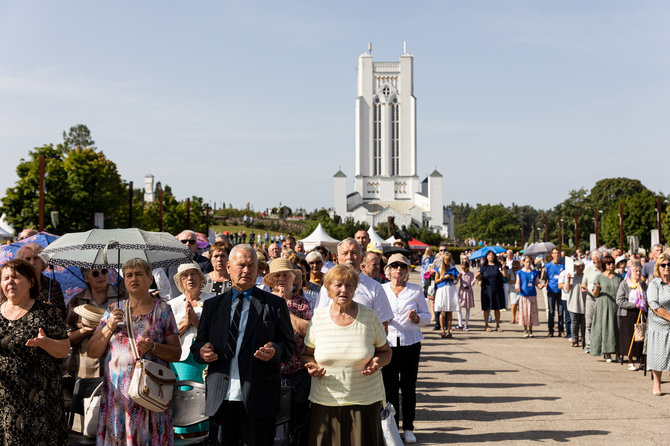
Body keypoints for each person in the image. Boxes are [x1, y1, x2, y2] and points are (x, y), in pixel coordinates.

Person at [191, 245, 296, 446]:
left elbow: (289, 346)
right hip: (221, 397)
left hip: (259, 397)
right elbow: (197, 347)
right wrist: (203, 351)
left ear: (258, 270)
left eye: (251, 266)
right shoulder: (213, 306)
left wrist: (275, 351)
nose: (246, 271)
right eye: (241, 265)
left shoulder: (274, 305)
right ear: (229, 267)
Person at [87, 258, 181, 445]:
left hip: (150, 394)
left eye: (139, 274)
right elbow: (92, 351)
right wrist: (109, 327)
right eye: (129, 275)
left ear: (149, 279)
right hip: (118, 398)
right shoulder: (113, 310)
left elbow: (176, 353)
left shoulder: (163, 310)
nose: (133, 278)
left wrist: (153, 347)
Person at [301, 265, 391, 444]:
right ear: (327, 290)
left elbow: (386, 352)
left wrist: (377, 363)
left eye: (349, 285)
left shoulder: (370, 316)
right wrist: (311, 366)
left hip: (364, 401)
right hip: (325, 400)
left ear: (355, 289)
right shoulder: (318, 318)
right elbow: (306, 354)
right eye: (338, 285)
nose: (344, 290)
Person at [0, 259, 70, 445]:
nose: (10, 282)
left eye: (16, 277)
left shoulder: (46, 311)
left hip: (40, 400)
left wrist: (45, 343)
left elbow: (64, 350)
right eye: (6, 278)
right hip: (5, 399)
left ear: (31, 281)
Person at [381, 254, 430, 444]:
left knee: (409, 387)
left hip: (410, 343)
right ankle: (392, 427)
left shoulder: (415, 290)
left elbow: (427, 315)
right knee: (390, 387)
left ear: (407, 270)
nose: (398, 270)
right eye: (394, 266)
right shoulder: (382, 289)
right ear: (388, 270)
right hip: (389, 344)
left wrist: (418, 319)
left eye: (402, 267)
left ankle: (409, 427)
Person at [264, 258, 312, 446]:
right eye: (278, 276)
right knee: (274, 424)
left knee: (298, 423)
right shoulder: (263, 301)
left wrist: (285, 307)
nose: (282, 279)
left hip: (298, 374)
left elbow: (308, 330)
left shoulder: (301, 303)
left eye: (286, 275)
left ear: (293, 279)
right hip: (270, 373)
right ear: (272, 280)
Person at [168, 262, 215, 437]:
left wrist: (197, 324)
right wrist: (186, 323)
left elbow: (219, 332)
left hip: (207, 359)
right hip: (182, 360)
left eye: (193, 274)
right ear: (180, 281)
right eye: (185, 275)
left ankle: (205, 438)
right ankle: (185, 437)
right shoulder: (172, 304)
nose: (190, 278)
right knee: (186, 404)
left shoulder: (212, 301)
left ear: (200, 277)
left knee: (206, 403)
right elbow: (168, 335)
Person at [314, 238, 394, 330]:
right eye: (345, 253)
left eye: (354, 253)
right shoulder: (327, 286)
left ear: (361, 258)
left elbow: (383, 325)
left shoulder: (375, 287)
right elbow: (318, 318)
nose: (349, 257)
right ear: (338, 258)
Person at [65, 267, 127, 380]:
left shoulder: (123, 297)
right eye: (95, 273)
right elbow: (66, 339)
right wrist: (84, 331)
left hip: (117, 366)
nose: (101, 276)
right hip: (86, 368)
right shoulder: (77, 301)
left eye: (104, 271)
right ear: (86, 278)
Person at [16, 242, 66, 319]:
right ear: (22, 263)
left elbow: (63, 314)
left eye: (36, 258)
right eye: (28, 259)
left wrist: (55, 310)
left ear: (43, 261)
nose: (32, 263)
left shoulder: (53, 285)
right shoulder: (17, 285)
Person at [590, 256, 622, 362]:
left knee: (617, 329)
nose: (611, 265)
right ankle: (607, 353)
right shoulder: (599, 277)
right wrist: (597, 289)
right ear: (604, 265)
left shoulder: (619, 277)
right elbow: (594, 294)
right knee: (606, 329)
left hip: (617, 306)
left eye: (612, 263)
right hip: (603, 306)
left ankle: (618, 353)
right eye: (608, 263)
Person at [646, 253, 670, 395]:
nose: (667, 267)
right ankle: (657, 384)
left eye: (669, 264)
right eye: (663, 265)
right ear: (658, 268)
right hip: (659, 325)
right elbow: (653, 305)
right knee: (659, 355)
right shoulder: (655, 284)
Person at [165, 230, 213, 299]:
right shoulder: (168, 262)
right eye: (184, 241)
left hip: (199, 304)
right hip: (173, 305)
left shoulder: (205, 262)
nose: (187, 244)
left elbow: (208, 285)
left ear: (196, 244)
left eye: (192, 242)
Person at [616, 263, 646, 370]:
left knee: (641, 337)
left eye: (639, 271)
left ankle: (642, 360)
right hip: (627, 314)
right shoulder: (624, 284)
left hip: (640, 313)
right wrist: (634, 305)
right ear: (631, 273)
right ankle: (630, 360)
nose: (638, 273)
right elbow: (619, 300)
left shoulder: (643, 284)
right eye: (635, 271)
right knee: (629, 337)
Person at [476, 250, 507, 332]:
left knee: (497, 308)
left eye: (492, 255)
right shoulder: (483, 266)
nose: (491, 257)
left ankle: (497, 325)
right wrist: (477, 276)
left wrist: (503, 268)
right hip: (486, 290)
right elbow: (479, 277)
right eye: (489, 255)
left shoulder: (498, 265)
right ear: (486, 257)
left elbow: (505, 276)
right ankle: (486, 325)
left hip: (497, 289)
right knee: (486, 308)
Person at [559, 260, 586, 347]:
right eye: (578, 267)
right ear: (575, 268)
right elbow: (566, 290)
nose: (580, 268)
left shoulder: (585, 276)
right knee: (574, 323)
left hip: (584, 303)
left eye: (582, 266)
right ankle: (574, 340)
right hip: (573, 303)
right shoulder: (572, 276)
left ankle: (584, 340)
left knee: (583, 324)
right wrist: (568, 279)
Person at [516, 256, 544, 337]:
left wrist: (540, 285)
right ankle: (525, 330)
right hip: (523, 295)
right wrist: (517, 288)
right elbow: (517, 283)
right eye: (527, 262)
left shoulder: (534, 273)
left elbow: (537, 282)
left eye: (530, 262)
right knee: (524, 313)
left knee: (532, 313)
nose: (528, 263)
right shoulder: (520, 272)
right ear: (523, 262)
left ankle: (531, 330)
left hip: (532, 295)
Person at [433, 251, 459, 338]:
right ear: (443, 260)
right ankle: (442, 330)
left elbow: (456, 282)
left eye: (449, 260)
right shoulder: (439, 269)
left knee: (450, 311)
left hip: (451, 290)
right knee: (442, 311)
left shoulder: (453, 268)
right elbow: (436, 281)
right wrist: (443, 277)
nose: (448, 263)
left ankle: (448, 330)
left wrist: (453, 278)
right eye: (446, 261)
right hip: (442, 290)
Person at [544, 248, 566, 337]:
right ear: (552, 255)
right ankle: (551, 330)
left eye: (558, 253)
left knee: (561, 312)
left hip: (561, 291)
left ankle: (561, 330)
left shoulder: (564, 266)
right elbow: (544, 278)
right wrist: (542, 283)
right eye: (555, 253)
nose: (557, 255)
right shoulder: (547, 266)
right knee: (551, 311)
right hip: (551, 291)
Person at [457, 261, 475, 331]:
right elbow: (456, 282)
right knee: (459, 308)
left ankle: (466, 325)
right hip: (462, 291)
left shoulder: (471, 274)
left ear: (468, 267)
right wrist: (458, 277)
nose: (463, 270)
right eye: (462, 268)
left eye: (464, 268)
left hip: (468, 291)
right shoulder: (460, 273)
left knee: (468, 309)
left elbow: (472, 284)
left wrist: (475, 278)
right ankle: (460, 324)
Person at [508, 260, 521, 324]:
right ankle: (513, 318)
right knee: (514, 304)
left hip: (521, 289)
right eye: (513, 267)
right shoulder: (510, 271)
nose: (514, 269)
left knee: (520, 304)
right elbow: (508, 281)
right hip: (513, 289)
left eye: (516, 267)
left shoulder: (522, 271)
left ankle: (519, 317)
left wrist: (514, 281)